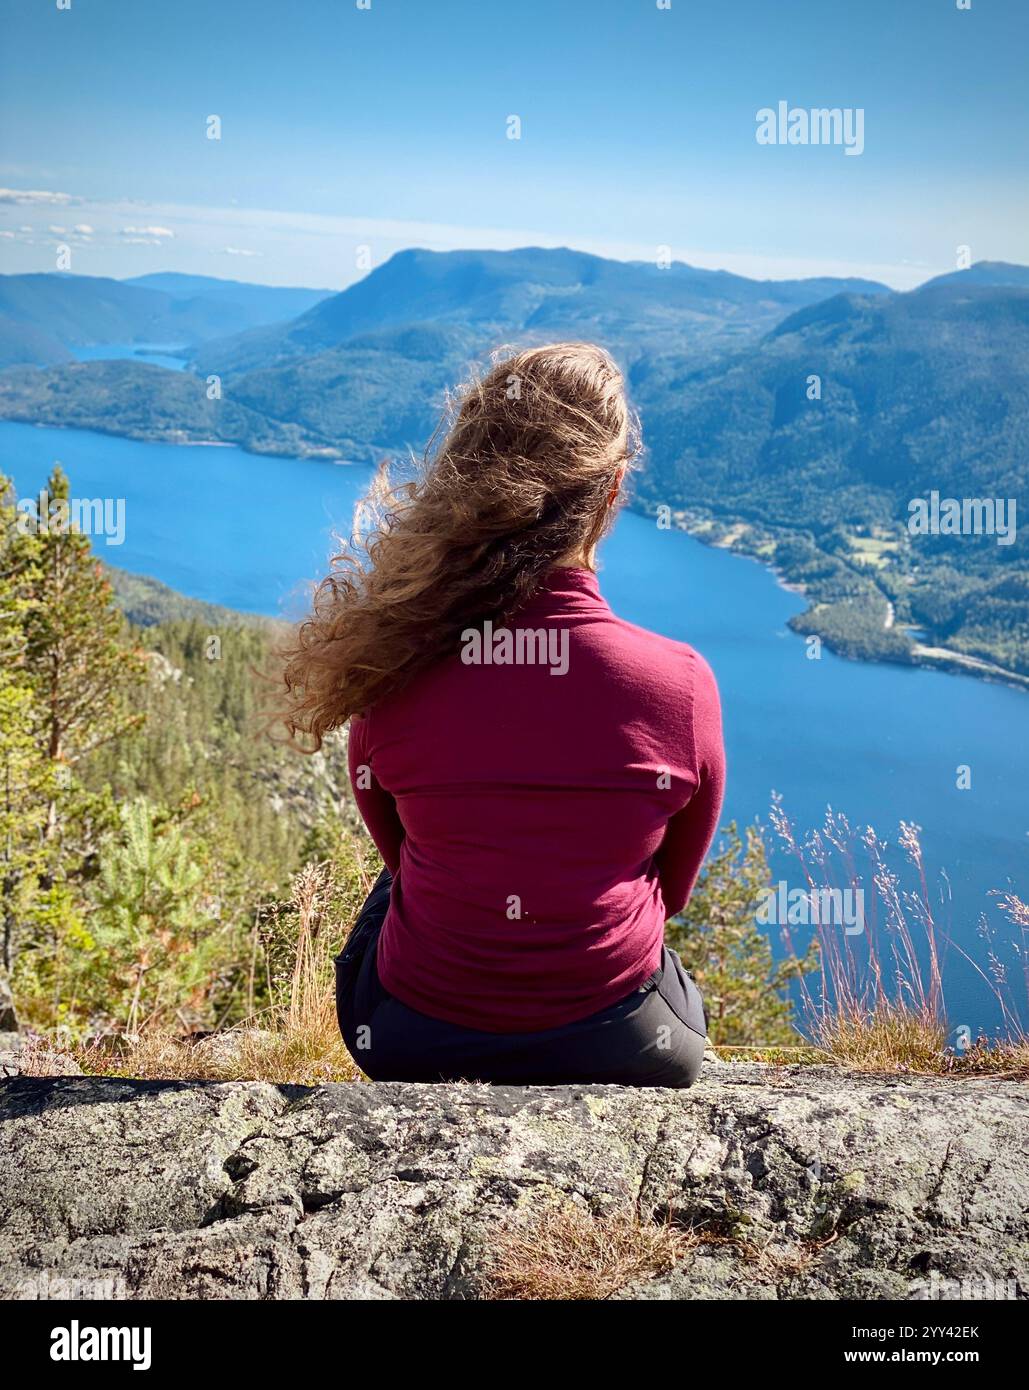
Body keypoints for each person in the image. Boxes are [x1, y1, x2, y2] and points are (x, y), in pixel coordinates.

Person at [280, 342, 725, 1086]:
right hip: (625, 1046)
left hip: (409, 1038)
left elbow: (395, 853)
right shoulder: (678, 684)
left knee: (403, 881)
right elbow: (669, 891)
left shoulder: (396, 664)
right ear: (614, 489)